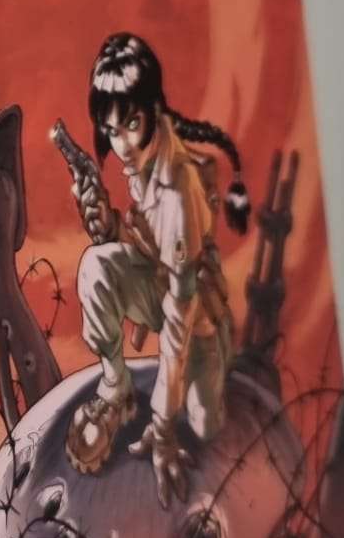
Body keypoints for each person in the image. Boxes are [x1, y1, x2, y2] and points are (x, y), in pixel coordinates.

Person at [64, 32, 249, 507]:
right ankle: (117, 387)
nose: (122, 144)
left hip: (195, 314)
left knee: (205, 425)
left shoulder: (178, 189)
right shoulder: (143, 160)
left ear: (151, 110)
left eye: (131, 124)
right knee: (95, 268)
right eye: (111, 131)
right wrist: (105, 226)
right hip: (159, 283)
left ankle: (214, 375)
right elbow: (144, 248)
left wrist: (163, 425)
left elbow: (179, 317)